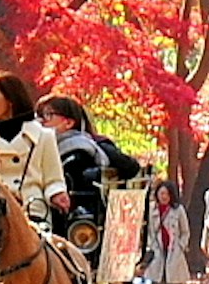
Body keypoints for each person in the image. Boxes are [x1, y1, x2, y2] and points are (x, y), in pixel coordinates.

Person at [0, 72, 66, 218]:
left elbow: (53, 179)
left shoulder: (43, 136)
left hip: (33, 215)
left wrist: (57, 194)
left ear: (10, 99)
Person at [42, 94, 145, 238]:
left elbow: (129, 167)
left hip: (77, 226)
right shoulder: (37, 148)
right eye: (38, 115)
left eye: (48, 115)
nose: (40, 121)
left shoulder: (81, 149)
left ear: (68, 123)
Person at [149, 189, 192, 284]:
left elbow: (185, 231)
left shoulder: (178, 210)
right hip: (158, 251)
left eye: (166, 194)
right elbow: (149, 231)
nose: (164, 197)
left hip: (174, 252)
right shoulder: (152, 210)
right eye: (161, 194)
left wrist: (181, 245)